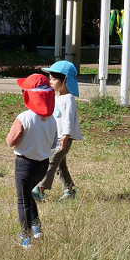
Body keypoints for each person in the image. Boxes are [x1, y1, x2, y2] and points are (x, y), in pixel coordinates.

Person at [6, 74, 58, 249]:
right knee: (28, 196)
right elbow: (52, 143)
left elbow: (10, 141)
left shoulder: (24, 117)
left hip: (24, 165)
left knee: (22, 201)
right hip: (42, 165)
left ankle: (26, 238)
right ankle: (37, 228)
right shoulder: (51, 119)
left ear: (28, 95)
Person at [33, 60, 83, 202]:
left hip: (64, 137)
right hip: (56, 137)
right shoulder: (56, 97)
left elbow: (68, 119)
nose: (51, 82)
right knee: (61, 165)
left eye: (54, 79)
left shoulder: (68, 99)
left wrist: (66, 136)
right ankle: (70, 190)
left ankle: (40, 189)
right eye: (50, 79)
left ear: (65, 80)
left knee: (52, 163)